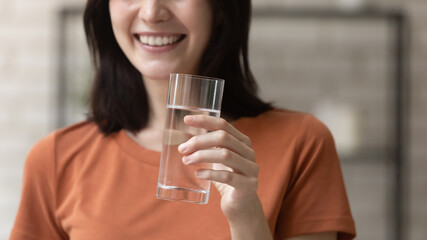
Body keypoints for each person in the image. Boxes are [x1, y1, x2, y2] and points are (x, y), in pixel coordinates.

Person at [10, 0, 356, 239]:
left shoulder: (302, 142)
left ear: (219, 9)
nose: (152, 12)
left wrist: (246, 213)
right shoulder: (55, 158)